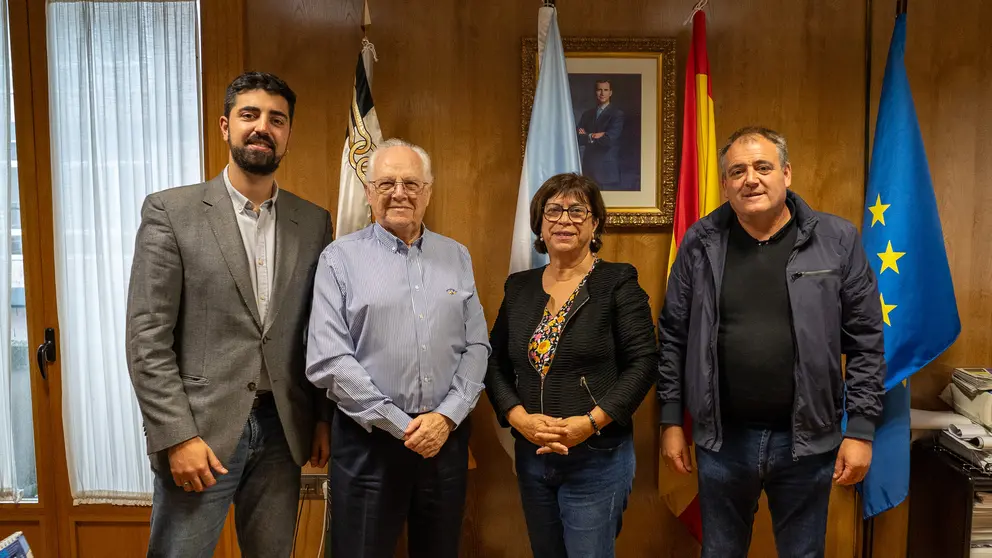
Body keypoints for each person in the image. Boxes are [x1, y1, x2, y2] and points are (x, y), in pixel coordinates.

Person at [126, 71, 333, 557]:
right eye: (249, 115)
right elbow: (146, 338)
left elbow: (319, 332)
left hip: (284, 431)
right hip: (200, 433)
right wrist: (176, 436)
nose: (263, 127)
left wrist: (322, 419)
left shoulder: (313, 222)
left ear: (287, 134)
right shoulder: (170, 212)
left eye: (276, 119)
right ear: (225, 126)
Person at [658, 126, 886, 557]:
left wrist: (860, 430)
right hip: (722, 440)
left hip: (806, 440)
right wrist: (671, 420)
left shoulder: (837, 240)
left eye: (763, 167)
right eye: (737, 171)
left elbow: (866, 341)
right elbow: (673, 334)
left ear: (786, 173)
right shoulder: (699, 241)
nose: (751, 179)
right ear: (725, 184)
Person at [306, 138, 490, 558]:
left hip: (445, 441)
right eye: (386, 182)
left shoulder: (457, 256)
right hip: (368, 443)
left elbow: (477, 345)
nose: (399, 192)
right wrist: (400, 424)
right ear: (369, 191)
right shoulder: (339, 259)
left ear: (428, 191)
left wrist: (446, 417)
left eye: (411, 182)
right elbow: (329, 359)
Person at [486, 173, 658, 558]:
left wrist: (592, 422)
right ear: (540, 224)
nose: (564, 220)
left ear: (595, 222)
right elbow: (492, 360)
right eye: (553, 211)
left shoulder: (617, 282)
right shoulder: (519, 287)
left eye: (577, 211)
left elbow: (644, 362)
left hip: (597, 457)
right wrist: (517, 417)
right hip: (533, 454)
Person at [576, 79, 625, 189]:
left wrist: (587, 135)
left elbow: (608, 140)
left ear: (610, 93)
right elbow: (577, 139)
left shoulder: (617, 114)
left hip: (606, 172)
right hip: (588, 170)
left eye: (605, 90)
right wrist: (593, 135)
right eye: (599, 90)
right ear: (595, 92)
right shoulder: (587, 114)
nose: (602, 93)